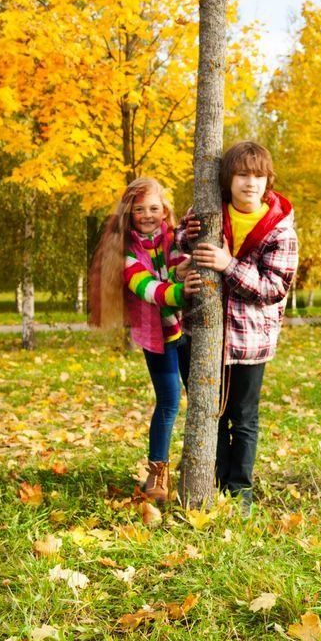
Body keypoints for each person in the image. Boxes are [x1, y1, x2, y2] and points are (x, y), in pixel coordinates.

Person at [178, 141, 298, 510]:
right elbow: (182, 246)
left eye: (258, 176)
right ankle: (211, 482)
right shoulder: (209, 213)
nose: (250, 183)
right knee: (208, 413)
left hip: (250, 343)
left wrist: (227, 264)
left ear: (268, 181)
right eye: (242, 175)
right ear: (227, 180)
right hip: (202, 335)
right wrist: (187, 243)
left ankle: (239, 491)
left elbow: (273, 289)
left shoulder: (280, 231)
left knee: (243, 419)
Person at [89, 177, 201, 503]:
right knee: (168, 402)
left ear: (164, 209)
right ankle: (158, 471)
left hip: (188, 328)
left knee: (200, 395)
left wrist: (184, 269)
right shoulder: (125, 253)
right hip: (158, 336)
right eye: (140, 210)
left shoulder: (173, 237)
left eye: (154, 208)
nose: (148, 214)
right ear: (130, 214)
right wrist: (181, 291)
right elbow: (147, 289)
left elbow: (180, 261)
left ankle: (202, 460)